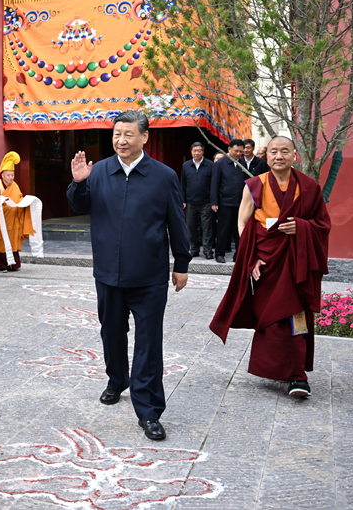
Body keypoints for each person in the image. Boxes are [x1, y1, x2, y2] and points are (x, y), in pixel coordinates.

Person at [67, 111, 191, 442]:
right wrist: (79, 182)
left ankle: (149, 411)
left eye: (128, 134)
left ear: (144, 138)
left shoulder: (163, 176)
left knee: (149, 343)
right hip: (108, 272)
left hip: (149, 275)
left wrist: (182, 262)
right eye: (116, 134)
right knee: (112, 332)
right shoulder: (100, 171)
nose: (121, 140)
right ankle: (116, 379)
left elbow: (176, 222)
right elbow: (80, 205)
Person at [210, 136, 331, 398]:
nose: (279, 156)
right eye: (274, 151)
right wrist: (250, 256)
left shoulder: (309, 187)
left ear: (294, 155)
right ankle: (275, 368)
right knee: (271, 318)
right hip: (267, 262)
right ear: (267, 156)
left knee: (296, 316)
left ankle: (298, 376)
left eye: (284, 151)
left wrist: (302, 227)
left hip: (297, 264)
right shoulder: (254, 185)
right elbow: (243, 224)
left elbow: (322, 224)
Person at [0, 151, 35, 272]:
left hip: (12, 221)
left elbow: (19, 198)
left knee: (11, 241)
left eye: (12, 175)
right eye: (8, 175)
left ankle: (11, 264)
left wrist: (25, 202)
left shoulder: (15, 186)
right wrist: (2, 201)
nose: (11, 178)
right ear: (2, 175)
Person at [210, 139, 247, 263]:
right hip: (225, 202)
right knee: (223, 229)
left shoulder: (243, 162)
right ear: (229, 149)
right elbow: (214, 183)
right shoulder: (220, 163)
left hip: (240, 202)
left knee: (239, 230)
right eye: (236, 151)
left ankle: (239, 254)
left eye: (241, 152)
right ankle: (219, 254)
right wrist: (214, 201)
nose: (238, 154)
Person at [180, 142, 215, 260]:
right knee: (191, 227)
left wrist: (213, 201)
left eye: (199, 150)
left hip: (206, 202)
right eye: (194, 151)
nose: (197, 153)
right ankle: (194, 249)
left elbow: (213, 185)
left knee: (207, 228)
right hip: (190, 202)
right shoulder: (186, 166)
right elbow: (182, 184)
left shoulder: (210, 165)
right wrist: (183, 200)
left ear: (203, 152)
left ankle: (208, 251)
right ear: (191, 152)